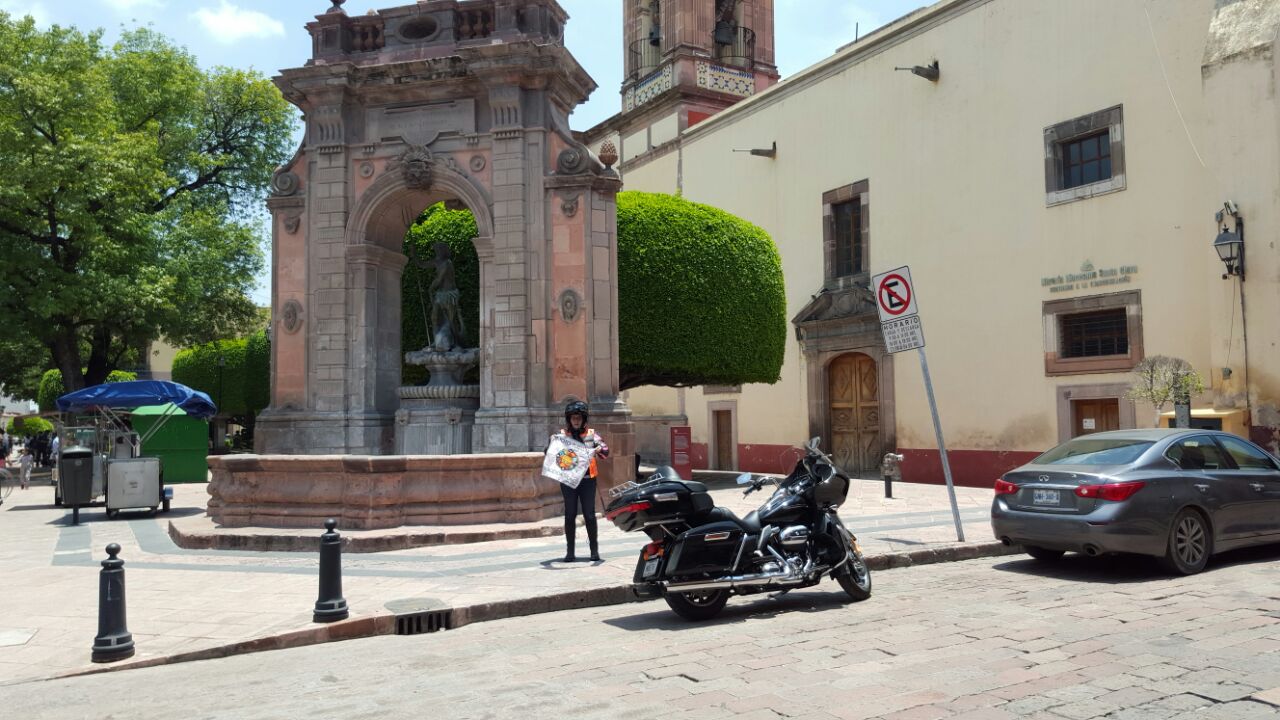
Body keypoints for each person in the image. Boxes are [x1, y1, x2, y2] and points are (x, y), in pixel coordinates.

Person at [552, 400, 610, 563]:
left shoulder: (592, 435)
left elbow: (605, 452)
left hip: (587, 480)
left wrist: (600, 448)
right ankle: (570, 552)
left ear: (584, 419)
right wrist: (551, 442)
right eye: (573, 418)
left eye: (578, 417)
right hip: (569, 481)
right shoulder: (562, 436)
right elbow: (548, 454)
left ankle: (594, 550)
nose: (576, 421)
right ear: (568, 419)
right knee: (569, 515)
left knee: (590, 515)